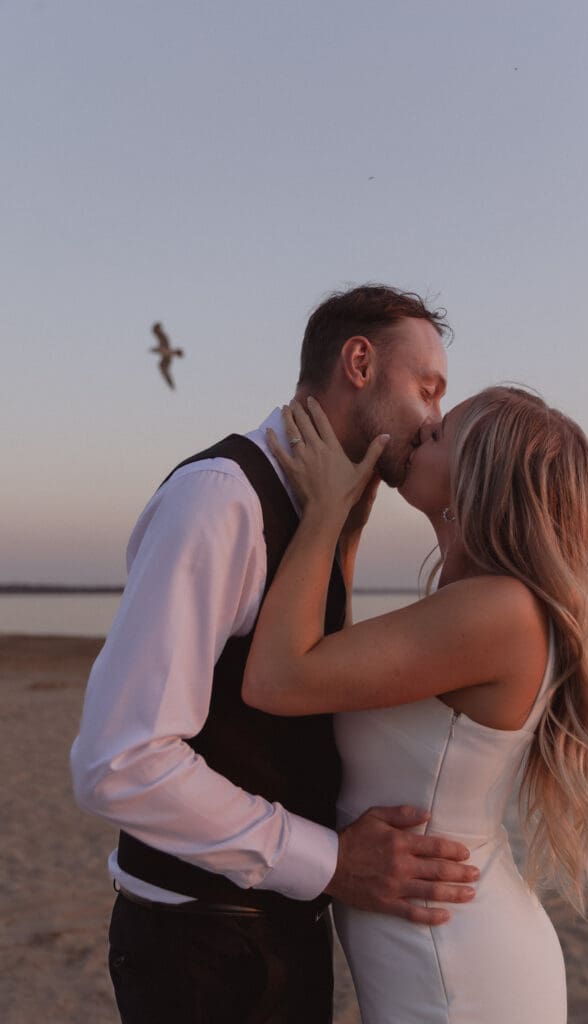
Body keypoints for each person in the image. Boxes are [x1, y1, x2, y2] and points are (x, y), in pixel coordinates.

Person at [70, 284, 481, 1024]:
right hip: (201, 951)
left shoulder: (321, 510)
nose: (434, 419)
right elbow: (120, 762)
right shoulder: (219, 499)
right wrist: (331, 862)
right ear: (359, 362)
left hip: (280, 929)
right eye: (426, 388)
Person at [243, 387, 588, 1024]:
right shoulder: (484, 604)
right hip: (442, 943)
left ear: (479, 476)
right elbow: (328, 664)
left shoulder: (500, 610)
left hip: (456, 968)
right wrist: (347, 526)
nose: (422, 429)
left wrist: (324, 514)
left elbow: (277, 679)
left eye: (442, 433)